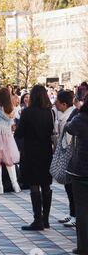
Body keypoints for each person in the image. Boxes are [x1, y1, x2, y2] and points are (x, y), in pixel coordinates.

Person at [15, 85, 54, 231]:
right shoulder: (50, 112)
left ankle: (37, 219)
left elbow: (19, 133)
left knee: (34, 184)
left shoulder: (27, 112)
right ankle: (46, 219)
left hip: (30, 152)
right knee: (46, 183)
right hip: (46, 151)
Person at [65, 95, 88, 255]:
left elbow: (69, 127)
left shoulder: (81, 118)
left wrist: (78, 109)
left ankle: (84, 246)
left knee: (82, 208)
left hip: (81, 170)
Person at [54, 91, 76, 227]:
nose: (54, 103)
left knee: (71, 187)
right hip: (70, 157)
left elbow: (67, 141)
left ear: (64, 104)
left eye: (57, 100)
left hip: (71, 157)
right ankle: (72, 213)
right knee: (69, 187)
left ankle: (74, 215)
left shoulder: (70, 117)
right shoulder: (66, 115)